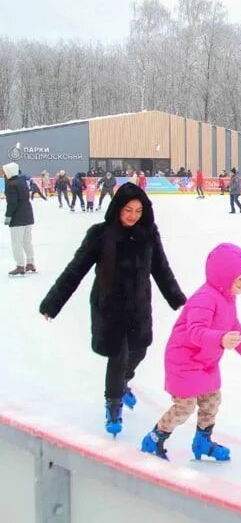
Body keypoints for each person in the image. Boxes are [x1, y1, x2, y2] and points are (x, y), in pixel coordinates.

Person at [39, 183, 187, 436]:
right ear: (117, 208)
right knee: (118, 356)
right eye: (128, 209)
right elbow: (76, 269)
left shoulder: (148, 234)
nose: (132, 216)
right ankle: (113, 403)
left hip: (139, 307)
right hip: (109, 308)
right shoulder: (100, 234)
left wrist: (177, 299)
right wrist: (53, 303)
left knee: (139, 351)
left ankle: (123, 383)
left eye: (138, 211)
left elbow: (161, 268)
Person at [140, 242, 241, 461]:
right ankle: (154, 439)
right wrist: (221, 339)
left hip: (206, 361)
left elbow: (234, 325)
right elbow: (196, 332)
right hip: (184, 360)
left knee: (212, 401)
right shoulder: (204, 298)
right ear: (223, 277)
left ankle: (203, 441)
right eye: (238, 279)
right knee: (185, 407)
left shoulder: (227, 299)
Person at [2, 162, 36, 276]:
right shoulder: (22, 181)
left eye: (4, 172)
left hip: (17, 218)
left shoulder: (11, 184)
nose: (3, 174)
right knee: (27, 241)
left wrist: (8, 217)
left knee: (16, 242)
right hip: (28, 215)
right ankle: (30, 263)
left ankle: (20, 265)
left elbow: (12, 203)